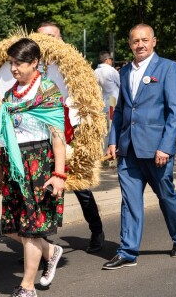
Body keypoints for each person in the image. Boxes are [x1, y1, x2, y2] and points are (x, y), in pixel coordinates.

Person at [104, 23, 176, 270]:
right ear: (129, 44)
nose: (139, 45)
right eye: (134, 41)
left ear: (154, 42)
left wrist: (166, 146)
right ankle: (127, 251)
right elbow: (120, 110)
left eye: (144, 40)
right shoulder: (124, 71)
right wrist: (112, 140)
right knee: (129, 200)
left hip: (157, 150)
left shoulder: (168, 68)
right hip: (127, 149)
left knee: (166, 195)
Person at [0, 38, 65, 297]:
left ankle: (27, 286)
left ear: (34, 62)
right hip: (14, 165)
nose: (14, 69)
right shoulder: (11, 95)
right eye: (11, 63)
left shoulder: (47, 90)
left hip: (38, 163)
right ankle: (50, 251)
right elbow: (4, 137)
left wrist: (59, 175)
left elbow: (58, 136)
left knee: (31, 228)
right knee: (11, 228)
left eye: (19, 63)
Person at [37, 21, 105, 253]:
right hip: (40, 133)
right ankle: (39, 244)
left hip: (69, 132)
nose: (46, 42)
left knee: (80, 187)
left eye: (51, 37)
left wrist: (82, 138)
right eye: (41, 37)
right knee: (43, 188)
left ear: (61, 40)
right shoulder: (31, 65)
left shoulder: (72, 65)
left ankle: (96, 230)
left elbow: (87, 103)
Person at [94, 51, 121, 149]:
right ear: (107, 60)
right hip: (112, 101)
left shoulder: (95, 71)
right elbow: (120, 84)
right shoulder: (111, 70)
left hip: (101, 103)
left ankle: (104, 151)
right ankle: (112, 153)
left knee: (104, 130)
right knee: (112, 127)